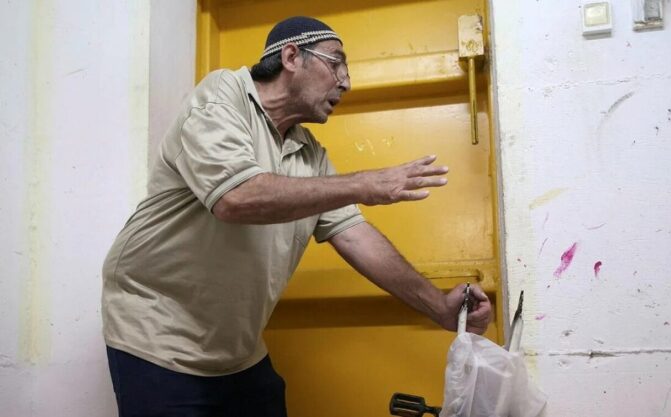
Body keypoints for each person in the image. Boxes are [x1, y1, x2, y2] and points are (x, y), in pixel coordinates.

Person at [102, 16, 491, 417]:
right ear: (291, 57)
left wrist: (439, 306)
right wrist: (364, 183)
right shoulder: (222, 97)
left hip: (237, 352)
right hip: (156, 336)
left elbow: (355, 235)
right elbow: (236, 197)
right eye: (336, 63)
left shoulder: (309, 153)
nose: (346, 82)